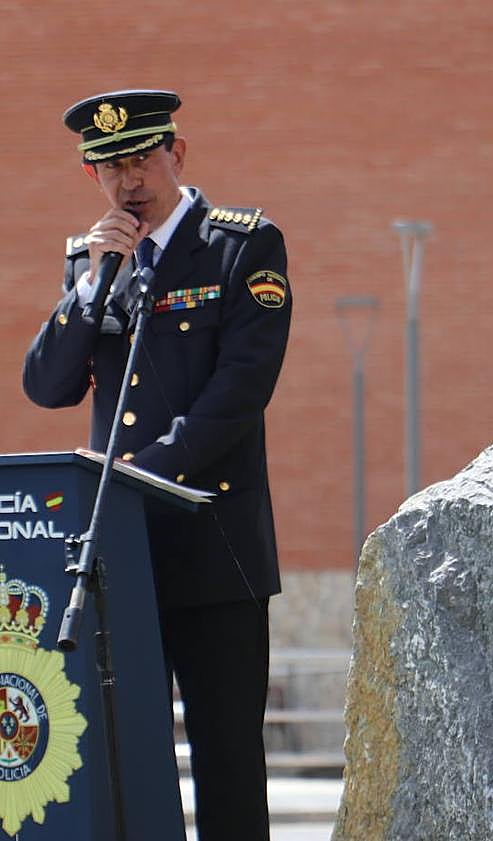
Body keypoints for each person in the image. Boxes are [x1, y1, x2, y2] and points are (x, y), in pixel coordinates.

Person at [23, 89, 292, 840]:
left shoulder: (242, 245)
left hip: (214, 541)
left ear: (178, 154)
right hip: (119, 555)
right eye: (110, 165)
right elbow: (46, 387)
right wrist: (88, 286)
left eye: (141, 157)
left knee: (226, 754)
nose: (129, 179)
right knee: (125, 744)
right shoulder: (91, 260)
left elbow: (239, 390)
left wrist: (148, 470)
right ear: (91, 178)